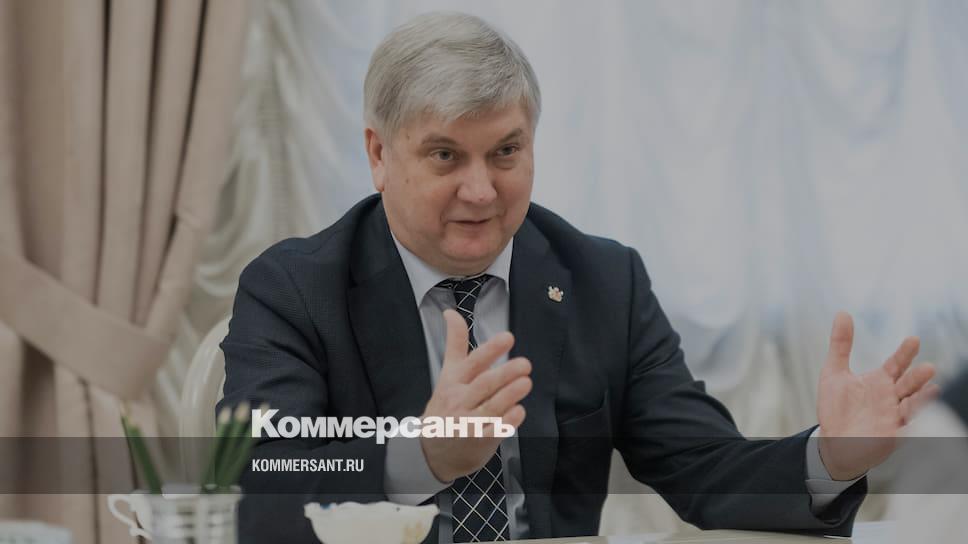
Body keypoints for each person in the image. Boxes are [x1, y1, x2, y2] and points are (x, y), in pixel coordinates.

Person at [218, 12, 938, 543]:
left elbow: (701, 466)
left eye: (506, 152)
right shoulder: (295, 290)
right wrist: (423, 456)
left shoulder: (602, 279)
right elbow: (265, 484)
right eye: (445, 156)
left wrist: (829, 457)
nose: (481, 190)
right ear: (379, 155)